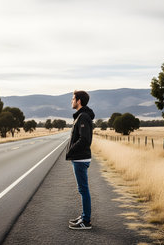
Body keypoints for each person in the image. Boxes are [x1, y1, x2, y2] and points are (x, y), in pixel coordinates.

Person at [66, 90, 95, 230]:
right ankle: (84, 216)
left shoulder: (83, 117)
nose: (71, 101)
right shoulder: (81, 116)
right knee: (82, 189)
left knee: (83, 190)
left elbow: (84, 140)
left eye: (72, 99)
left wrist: (71, 151)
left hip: (80, 158)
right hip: (80, 158)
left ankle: (86, 221)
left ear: (78, 101)